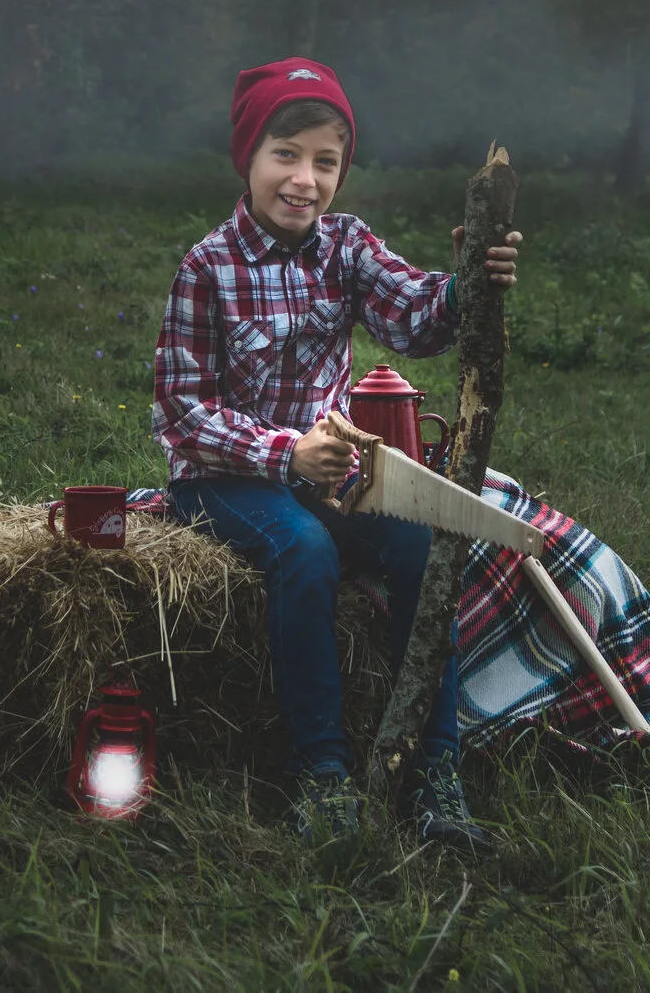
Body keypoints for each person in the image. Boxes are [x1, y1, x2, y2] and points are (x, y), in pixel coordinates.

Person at [152, 58, 521, 847]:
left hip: (328, 472)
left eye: (326, 162)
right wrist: (288, 452)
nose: (305, 179)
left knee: (423, 540)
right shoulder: (208, 267)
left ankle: (433, 768)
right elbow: (184, 411)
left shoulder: (345, 246)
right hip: (223, 479)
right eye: (285, 154)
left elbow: (414, 314)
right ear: (248, 156)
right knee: (305, 547)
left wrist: (466, 282)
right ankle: (320, 770)